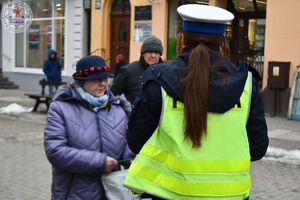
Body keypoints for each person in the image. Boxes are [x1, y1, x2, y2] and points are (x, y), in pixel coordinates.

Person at [124, 4, 268, 200]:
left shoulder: (158, 78)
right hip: (230, 195)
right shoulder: (247, 82)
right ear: (222, 39)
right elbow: (258, 148)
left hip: (170, 193)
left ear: (182, 37)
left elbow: (136, 141)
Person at [44, 55, 134, 199]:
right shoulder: (60, 108)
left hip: (112, 191)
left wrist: (130, 156)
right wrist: (100, 162)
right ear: (81, 82)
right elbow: (55, 151)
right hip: (75, 191)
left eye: (105, 79)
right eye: (96, 80)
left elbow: (127, 141)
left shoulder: (118, 107)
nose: (103, 84)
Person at [111, 35, 163, 104]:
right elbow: (112, 94)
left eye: (156, 53)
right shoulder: (128, 71)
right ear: (143, 54)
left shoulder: (165, 72)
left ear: (160, 55)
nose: (153, 55)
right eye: (150, 52)